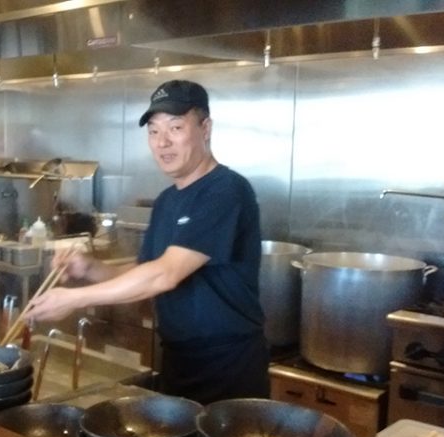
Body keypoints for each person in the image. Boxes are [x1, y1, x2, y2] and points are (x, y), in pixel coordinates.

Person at [24, 80, 269, 406]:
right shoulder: (168, 200)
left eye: (176, 127)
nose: (162, 142)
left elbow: (165, 275)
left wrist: (75, 298)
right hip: (179, 360)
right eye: (153, 131)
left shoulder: (226, 191)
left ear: (205, 128)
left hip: (228, 365)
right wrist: (90, 268)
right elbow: (145, 270)